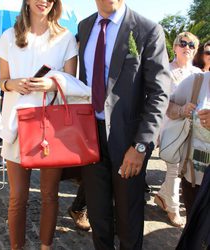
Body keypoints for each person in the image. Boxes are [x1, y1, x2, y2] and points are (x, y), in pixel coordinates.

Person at [77, 1, 170, 249]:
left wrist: (140, 146)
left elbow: (159, 93)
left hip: (129, 141)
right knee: (99, 218)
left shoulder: (148, 29)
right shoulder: (84, 26)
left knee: (128, 222)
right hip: (90, 138)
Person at [0, 0, 80, 249]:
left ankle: (45, 247)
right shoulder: (10, 36)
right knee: (17, 197)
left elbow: (71, 81)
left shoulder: (65, 37)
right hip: (16, 123)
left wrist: (52, 84)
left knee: (49, 195)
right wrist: (14, 83)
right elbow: (2, 81)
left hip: (50, 127)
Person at [154, 32, 201, 227]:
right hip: (169, 125)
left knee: (181, 168)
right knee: (174, 166)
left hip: (192, 129)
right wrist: (181, 110)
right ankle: (173, 207)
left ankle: (164, 196)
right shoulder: (165, 71)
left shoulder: (199, 73)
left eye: (192, 45)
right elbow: (160, 101)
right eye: (183, 43)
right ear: (174, 47)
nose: (187, 47)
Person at [166, 71, 210, 220]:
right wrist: (181, 110)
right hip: (194, 180)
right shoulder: (196, 81)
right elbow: (167, 106)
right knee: (195, 233)